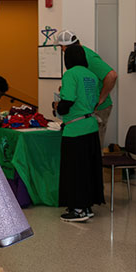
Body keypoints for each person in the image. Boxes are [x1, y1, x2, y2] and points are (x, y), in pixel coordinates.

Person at [53, 44, 105, 221]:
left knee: (74, 171)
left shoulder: (71, 74)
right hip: (90, 127)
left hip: (75, 130)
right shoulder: (91, 75)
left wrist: (56, 106)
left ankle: (77, 210)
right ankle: (87, 206)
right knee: (88, 170)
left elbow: (67, 102)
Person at [56, 29, 117, 146]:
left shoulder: (87, 56)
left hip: (95, 109)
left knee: (93, 147)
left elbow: (112, 75)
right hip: (84, 110)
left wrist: (101, 98)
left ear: (63, 47)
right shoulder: (79, 57)